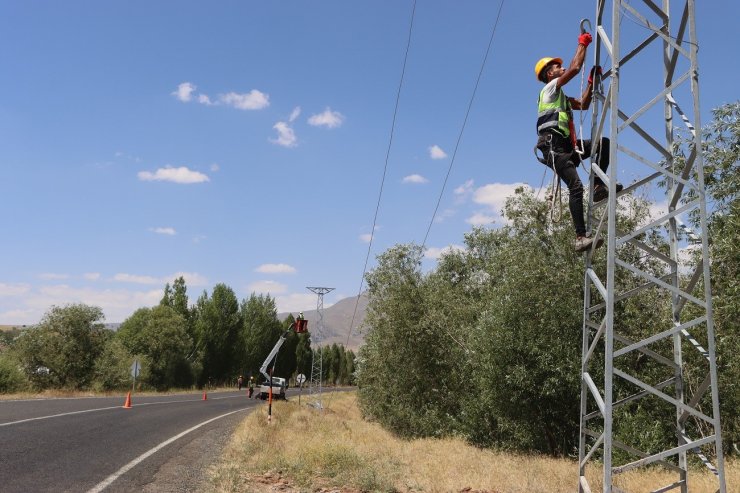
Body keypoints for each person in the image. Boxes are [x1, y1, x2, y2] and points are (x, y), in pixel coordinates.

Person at [534, 29, 622, 252]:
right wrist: (582, 44)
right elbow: (574, 68)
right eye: (555, 66)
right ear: (548, 74)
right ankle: (580, 237)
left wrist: (591, 82)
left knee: (602, 144)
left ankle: (598, 185)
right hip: (553, 148)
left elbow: (583, 104)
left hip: (566, 147)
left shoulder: (560, 96)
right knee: (575, 187)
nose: (559, 67)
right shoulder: (549, 90)